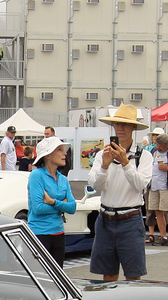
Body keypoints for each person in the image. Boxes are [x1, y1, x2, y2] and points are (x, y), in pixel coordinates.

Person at [88, 104, 151, 281]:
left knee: (133, 274)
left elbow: (140, 186)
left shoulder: (143, 156)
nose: (120, 128)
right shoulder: (102, 155)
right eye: (117, 124)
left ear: (133, 128)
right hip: (105, 219)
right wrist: (105, 166)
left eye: (125, 124)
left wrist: (125, 163)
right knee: (107, 274)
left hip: (130, 220)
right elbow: (95, 185)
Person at [26, 135, 76, 265]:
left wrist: (53, 202)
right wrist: (61, 205)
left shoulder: (63, 179)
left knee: (58, 278)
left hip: (59, 233)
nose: (65, 153)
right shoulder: (36, 175)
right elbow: (38, 208)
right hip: (39, 234)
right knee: (40, 277)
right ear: (47, 155)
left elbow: (72, 208)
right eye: (59, 149)